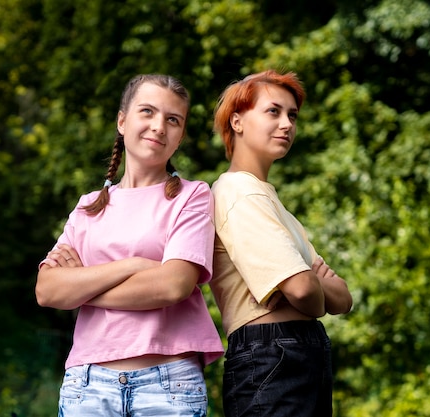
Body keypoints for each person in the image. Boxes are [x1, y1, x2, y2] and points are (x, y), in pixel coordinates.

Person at [35, 74, 224, 417]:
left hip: (169, 386)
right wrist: (134, 265)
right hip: (87, 386)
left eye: (173, 119)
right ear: (122, 121)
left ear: (180, 136)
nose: (159, 126)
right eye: (147, 112)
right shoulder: (88, 207)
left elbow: (172, 285)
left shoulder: (193, 196)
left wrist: (82, 287)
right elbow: (47, 291)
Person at [209, 69, 353, 417]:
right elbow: (306, 292)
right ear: (238, 121)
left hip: (299, 352)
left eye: (292, 115)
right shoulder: (236, 191)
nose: (287, 123)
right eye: (273, 111)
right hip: (270, 354)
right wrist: (311, 286)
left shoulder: (272, 203)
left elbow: (343, 297)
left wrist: (306, 288)